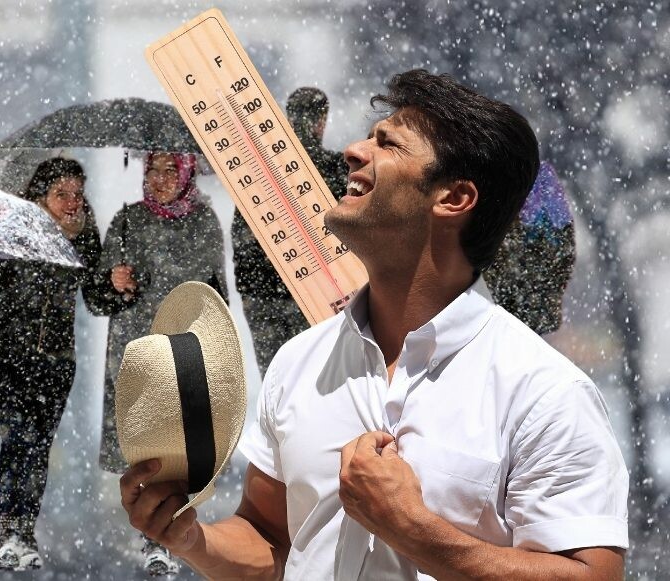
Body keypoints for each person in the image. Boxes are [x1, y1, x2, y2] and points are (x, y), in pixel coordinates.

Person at [120, 70, 629, 580]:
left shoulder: (544, 392)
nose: (353, 150)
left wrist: (411, 529)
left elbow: (592, 575)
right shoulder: (299, 362)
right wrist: (194, 538)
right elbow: (272, 542)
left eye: (388, 143)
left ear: (453, 199)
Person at [0, 157, 102, 571]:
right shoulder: (14, 231)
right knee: (17, 440)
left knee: (38, 446)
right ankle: (11, 531)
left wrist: (119, 285)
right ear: (40, 197)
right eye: (61, 195)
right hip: (8, 358)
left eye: (77, 195)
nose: (71, 203)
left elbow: (99, 297)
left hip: (56, 363)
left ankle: (24, 531)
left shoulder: (85, 236)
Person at [85, 151, 226, 576]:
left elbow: (218, 296)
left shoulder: (204, 221)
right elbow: (97, 297)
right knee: (145, 448)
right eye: (152, 169)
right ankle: (154, 540)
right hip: (135, 350)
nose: (160, 179)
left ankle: (173, 535)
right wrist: (113, 282)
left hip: (183, 348)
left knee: (181, 444)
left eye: (170, 170)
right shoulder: (128, 220)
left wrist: (217, 351)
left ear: (186, 173)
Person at [232, 86, 348, 375]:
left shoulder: (258, 167)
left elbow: (241, 235)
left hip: (262, 294)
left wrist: (249, 286)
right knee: (315, 381)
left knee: (275, 380)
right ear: (322, 121)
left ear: (287, 118)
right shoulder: (338, 169)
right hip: (319, 291)